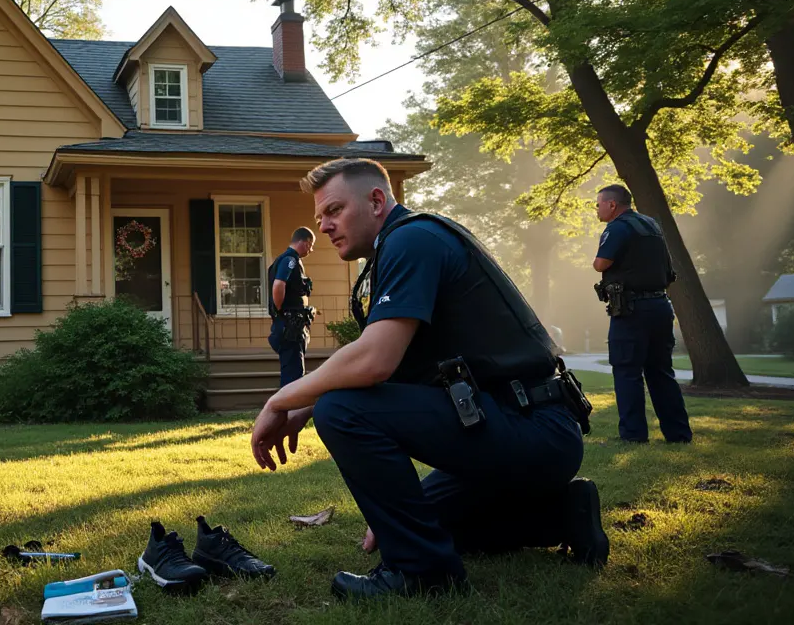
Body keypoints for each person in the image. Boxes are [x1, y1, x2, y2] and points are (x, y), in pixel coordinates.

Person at [249, 158, 608, 602]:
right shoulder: (404, 243)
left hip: (532, 426)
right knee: (422, 520)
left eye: (335, 210)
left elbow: (375, 360)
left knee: (341, 410)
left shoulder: (411, 241)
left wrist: (280, 401)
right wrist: (302, 408)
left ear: (377, 200)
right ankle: (563, 514)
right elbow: (391, 363)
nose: (323, 225)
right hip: (525, 427)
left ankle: (422, 573)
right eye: (320, 216)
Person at [593, 185, 693, 444]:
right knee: (661, 371)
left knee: (627, 370)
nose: (597, 209)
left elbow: (600, 264)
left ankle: (633, 436)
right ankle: (679, 435)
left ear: (612, 205)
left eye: (598, 204)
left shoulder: (617, 227)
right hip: (660, 305)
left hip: (631, 309)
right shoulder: (651, 225)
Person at [268, 227, 316, 387]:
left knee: (294, 372)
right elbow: (278, 285)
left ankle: (291, 410)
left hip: (291, 326)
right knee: (293, 377)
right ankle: (290, 411)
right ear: (305, 242)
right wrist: (281, 311)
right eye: (311, 245)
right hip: (290, 327)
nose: (311, 249)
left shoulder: (286, 259)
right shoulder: (290, 260)